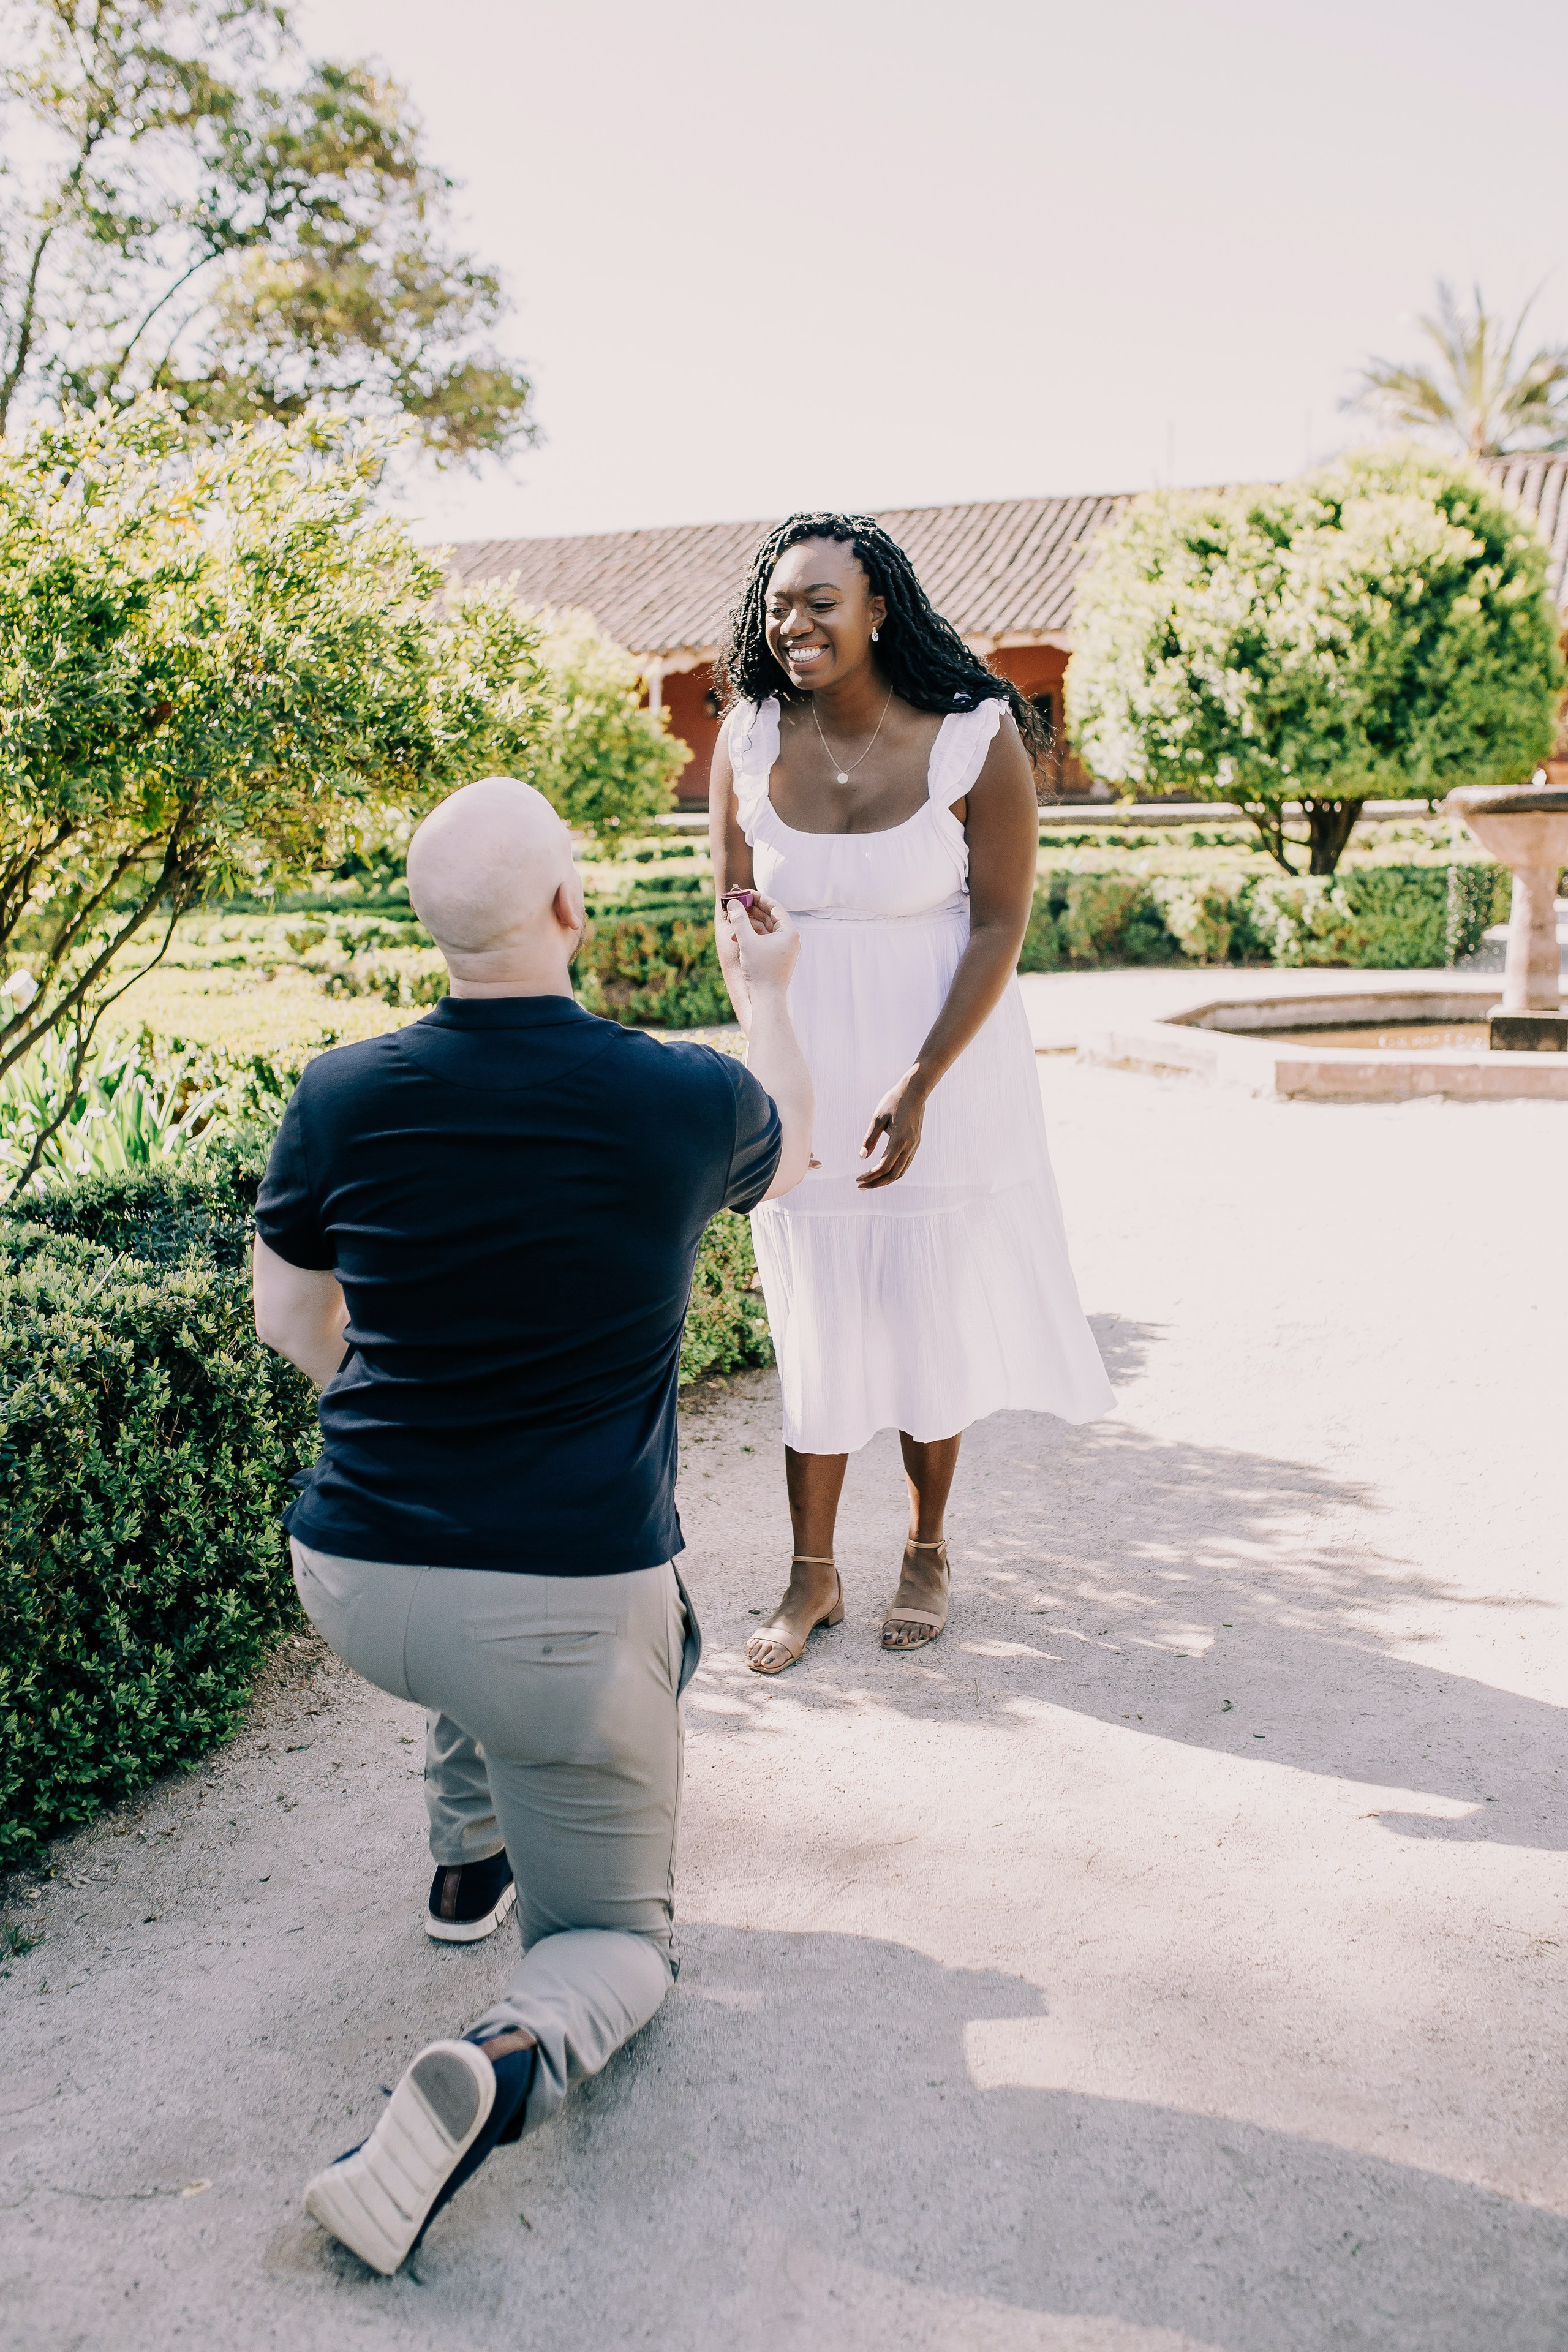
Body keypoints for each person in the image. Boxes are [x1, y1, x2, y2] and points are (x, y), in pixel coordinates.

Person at [251, 777, 811, 2274]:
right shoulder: (682, 1094)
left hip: (356, 1574)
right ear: (570, 910)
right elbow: (795, 1157)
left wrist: (387, 1404)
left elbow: (288, 1313)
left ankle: (463, 1859)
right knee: (613, 1941)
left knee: (492, 1652)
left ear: (427, 928)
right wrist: (767, 996)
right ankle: (497, 2062)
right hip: (563, 1608)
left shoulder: (340, 1089)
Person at [710, 513, 1113, 1674]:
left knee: (921, 1299)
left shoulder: (974, 737)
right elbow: (730, 915)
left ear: (878, 607)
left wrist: (921, 1077)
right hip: (803, 1059)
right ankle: (811, 1575)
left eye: (820, 602)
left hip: (941, 1054)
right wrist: (766, 1053)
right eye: (780, 604)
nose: (795, 623)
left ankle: (929, 1548)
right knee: (812, 1302)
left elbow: (999, 922)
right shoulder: (746, 739)